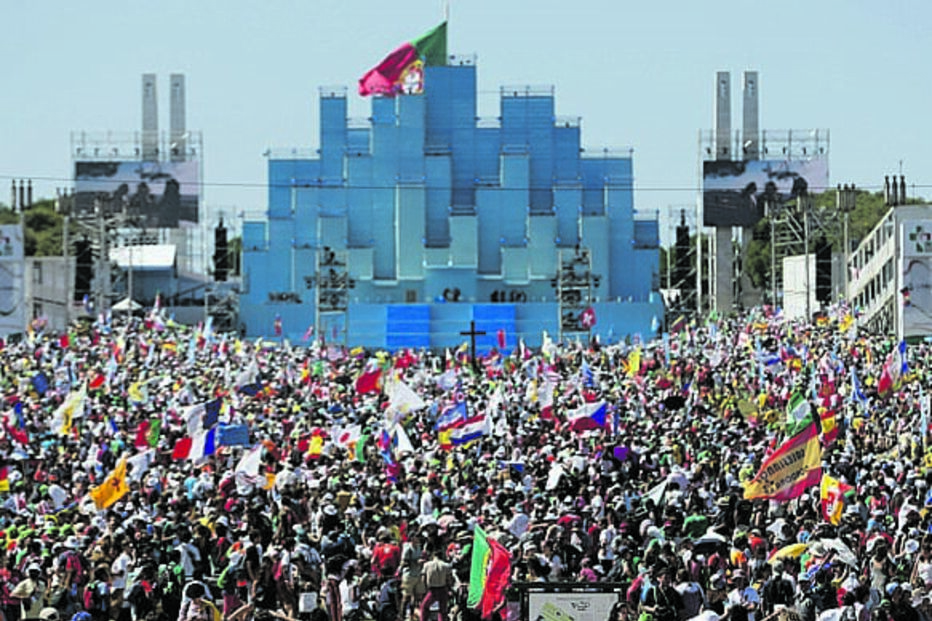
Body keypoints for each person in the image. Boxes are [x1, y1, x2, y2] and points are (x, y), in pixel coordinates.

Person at [420, 550, 454, 621]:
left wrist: (424, 589)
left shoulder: (427, 565)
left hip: (432, 590)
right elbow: (449, 579)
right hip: (442, 588)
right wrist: (450, 588)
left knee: (424, 607)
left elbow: (423, 579)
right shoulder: (446, 565)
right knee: (442, 610)